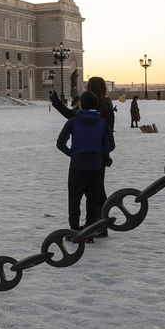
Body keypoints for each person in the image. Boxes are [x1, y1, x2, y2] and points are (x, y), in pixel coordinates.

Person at [52, 77, 116, 235]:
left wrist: (73, 153)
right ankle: (96, 226)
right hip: (98, 158)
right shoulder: (104, 107)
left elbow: (70, 118)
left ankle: (86, 228)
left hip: (82, 161)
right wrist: (102, 152)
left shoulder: (81, 114)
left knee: (79, 196)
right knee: (96, 194)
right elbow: (109, 136)